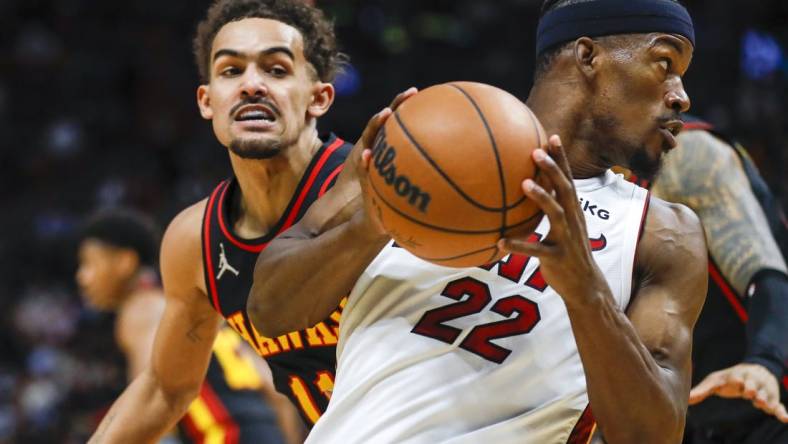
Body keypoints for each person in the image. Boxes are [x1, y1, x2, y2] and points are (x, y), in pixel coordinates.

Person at [248, 0, 708, 442]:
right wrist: (370, 225)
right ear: (588, 56)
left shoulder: (661, 234)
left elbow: (652, 435)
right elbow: (269, 311)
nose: (681, 97)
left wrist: (585, 290)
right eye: (665, 63)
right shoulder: (417, 146)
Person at [85, 1, 415, 441]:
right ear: (207, 101)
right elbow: (165, 389)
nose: (252, 85)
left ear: (319, 97)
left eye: (276, 70)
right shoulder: (193, 240)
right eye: (230, 71)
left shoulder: (383, 185)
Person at [76, 209, 299, 444]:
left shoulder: (141, 310)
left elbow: (151, 401)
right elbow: (276, 393)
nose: (82, 277)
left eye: (89, 263)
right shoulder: (191, 316)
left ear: (125, 262)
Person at [647, 119, 788, 442]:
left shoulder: (690, 157)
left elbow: (767, 278)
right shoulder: (586, 188)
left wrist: (763, 363)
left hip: (770, 396)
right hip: (692, 416)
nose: (677, 95)